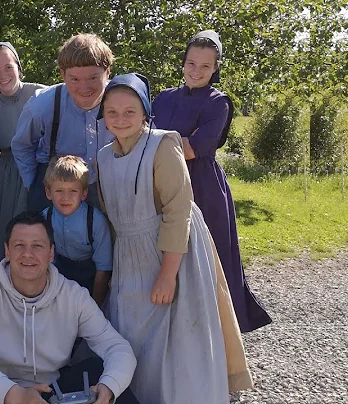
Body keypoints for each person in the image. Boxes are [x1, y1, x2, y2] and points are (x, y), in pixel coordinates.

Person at [97, 73, 252, 403]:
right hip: (130, 253)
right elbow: (112, 219)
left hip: (173, 249)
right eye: (112, 112)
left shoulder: (163, 144)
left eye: (130, 112)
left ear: (144, 114)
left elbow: (177, 210)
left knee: (178, 334)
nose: (121, 119)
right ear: (103, 114)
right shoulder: (103, 157)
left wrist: (168, 275)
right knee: (135, 332)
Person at [151, 30, 271, 333]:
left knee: (207, 257)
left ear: (215, 68)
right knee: (163, 254)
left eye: (205, 66)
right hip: (162, 182)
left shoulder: (219, 103)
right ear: (183, 63)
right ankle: (172, 328)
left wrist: (156, 144)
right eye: (191, 63)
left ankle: (216, 331)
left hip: (202, 187)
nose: (196, 71)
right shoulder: (163, 99)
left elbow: (194, 149)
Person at [0, 212, 140, 404]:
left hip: (54, 389)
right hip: (2, 391)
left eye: (37, 246)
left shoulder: (73, 295)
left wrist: (109, 386)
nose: (28, 254)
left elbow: (117, 348)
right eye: (19, 246)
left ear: (51, 253)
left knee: (100, 374)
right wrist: (15, 395)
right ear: (7, 251)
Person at [11, 33, 114, 213]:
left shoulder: (123, 100)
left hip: (106, 186)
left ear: (107, 72)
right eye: (75, 79)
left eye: (93, 78)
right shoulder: (42, 104)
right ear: (63, 75)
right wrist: (33, 184)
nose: (84, 88)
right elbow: (22, 145)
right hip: (55, 186)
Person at [0, 42, 46, 280]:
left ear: (18, 66)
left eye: (7, 66)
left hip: (41, 172)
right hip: (3, 180)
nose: (2, 75)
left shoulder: (43, 95)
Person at [41, 155, 112, 305]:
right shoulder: (45, 218)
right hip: (59, 274)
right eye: (59, 191)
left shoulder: (96, 221)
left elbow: (103, 267)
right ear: (48, 193)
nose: (66, 197)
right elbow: (45, 261)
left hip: (91, 277)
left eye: (73, 191)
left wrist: (95, 305)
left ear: (84, 194)